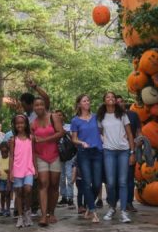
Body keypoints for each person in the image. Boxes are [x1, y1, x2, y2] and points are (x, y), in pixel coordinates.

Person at [97, 92, 136, 223]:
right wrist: (104, 140)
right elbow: (100, 133)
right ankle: (112, 207)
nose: (111, 99)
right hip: (108, 151)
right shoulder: (101, 117)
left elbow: (130, 134)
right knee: (111, 183)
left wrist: (132, 152)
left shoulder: (123, 115)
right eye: (108, 97)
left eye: (113, 97)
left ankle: (124, 211)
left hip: (124, 151)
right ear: (104, 100)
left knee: (123, 182)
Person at [70, 94, 103, 223]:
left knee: (97, 183)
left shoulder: (96, 117)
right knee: (87, 183)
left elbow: (102, 132)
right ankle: (94, 212)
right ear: (79, 104)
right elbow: (74, 139)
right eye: (84, 100)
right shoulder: (75, 120)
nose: (87, 102)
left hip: (97, 152)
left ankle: (89, 206)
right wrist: (81, 142)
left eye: (88, 100)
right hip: (84, 153)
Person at [31, 97, 64, 226]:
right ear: (34, 107)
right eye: (36, 105)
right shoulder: (33, 123)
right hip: (40, 156)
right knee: (43, 184)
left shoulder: (53, 117)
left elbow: (61, 132)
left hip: (55, 155)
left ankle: (52, 212)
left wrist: (44, 139)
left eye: (41, 104)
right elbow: (31, 142)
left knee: (54, 185)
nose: (39, 107)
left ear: (45, 105)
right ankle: (44, 215)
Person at [115, 95, 141, 212]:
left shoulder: (133, 115)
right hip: (115, 151)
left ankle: (129, 203)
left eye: (121, 101)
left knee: (130, 178)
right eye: (117, 102)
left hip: (130, 150)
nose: (119, 103)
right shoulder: (112, 117)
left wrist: (137, 144)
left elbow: (138, 131)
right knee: (116, 179)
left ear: (124, 103)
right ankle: (115, 201)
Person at [8, 114, 35, 228]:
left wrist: (36, 168)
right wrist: (10, 171)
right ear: (14, 125)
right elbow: (11, 156)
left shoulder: (31, 138)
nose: (20, 125)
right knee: (18, 192)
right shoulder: (13, 139)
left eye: (22, 123)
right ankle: (20, 216)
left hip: (29, 168)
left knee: (28, 190)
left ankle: (27, 212)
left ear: (26, 124)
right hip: (17, 169)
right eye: (17, 123)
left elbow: (33, 154)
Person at [54, 110, 74, 208]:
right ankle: (64, 197)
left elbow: (74, 139)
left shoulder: (69, 126)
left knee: (69, 176)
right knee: (61, 177)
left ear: (63, 116)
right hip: (59, 155)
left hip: (69, 155)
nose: (58, 117)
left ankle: (70, 198)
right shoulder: (53, 128)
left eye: (60, 115)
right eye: (56, 115)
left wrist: (66, 133)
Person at [0, 141, 11, 217]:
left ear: (8, 151)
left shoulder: (10, 159)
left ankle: (8, 209)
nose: (4, 154)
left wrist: (9, 172)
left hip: (8, 180)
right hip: (1, 179)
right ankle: (2, 208)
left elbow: (12, 169)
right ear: (0, 151)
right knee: (2, 194)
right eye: (2, 152)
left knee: (8, 195)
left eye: (5, 152)